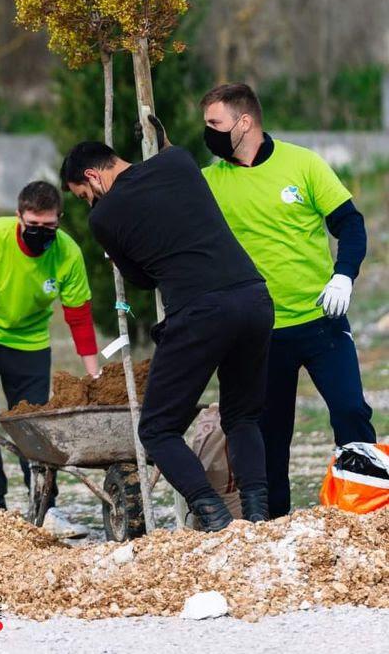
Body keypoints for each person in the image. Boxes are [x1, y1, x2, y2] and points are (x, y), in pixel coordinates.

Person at [60, 141, 275, 532]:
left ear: (92, 175)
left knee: (157, 429)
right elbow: (170, 158)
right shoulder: (178, 161)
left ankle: (214, 516)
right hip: (254, 297)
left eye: (85, 196)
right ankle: (258, 516)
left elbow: (142, 280)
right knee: (243, 415)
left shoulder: (104, 217)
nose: (90, 203)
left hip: (200, 312)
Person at [196, 83, 376, 518]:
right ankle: (275, 528)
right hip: (260, 332)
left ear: (244, 123)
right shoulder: (210, 183)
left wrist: (344, 276)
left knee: (352, 412)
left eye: (214, 124)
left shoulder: (304, 164)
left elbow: (350, 225)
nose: (208, 134)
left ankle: (366, 514)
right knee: (271, 436)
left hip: (321, 321)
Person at [0, 180, 100, 537]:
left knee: (33, 427)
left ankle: (46, 508)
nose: (41, 233)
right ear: (18, 216)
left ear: (59, 220)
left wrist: (94, 376)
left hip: (29, 344)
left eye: (49, 227)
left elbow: (78, 316)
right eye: (33, 225)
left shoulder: (67, 253)